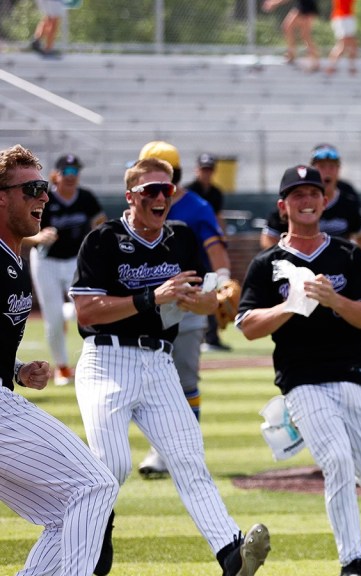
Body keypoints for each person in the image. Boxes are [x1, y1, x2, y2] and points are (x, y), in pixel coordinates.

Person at [68, 156, 269, 575]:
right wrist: (151, 297)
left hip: (159, 362)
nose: (161, 197)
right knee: (113, 464)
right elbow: (87, 312)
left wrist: (208, 301)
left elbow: (205, 298)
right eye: (150, 191)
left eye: (167, 189)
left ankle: (231, 553)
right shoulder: (102, 240)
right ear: (131, 197)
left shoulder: (180, 236)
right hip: (108, 359)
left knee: (189, 458)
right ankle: (94, 538)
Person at [238, 165, 361, 576]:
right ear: (283, 206)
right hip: (302, 379)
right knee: (338, 461)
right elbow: (248, 327)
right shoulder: (267, 263)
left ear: (324, 200)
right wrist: (289, 305)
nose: (306, 200)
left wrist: (333, 300)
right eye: (296, 195)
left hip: (356, 374)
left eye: (313, 193)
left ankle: (317, 431)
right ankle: (354, 561)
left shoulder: (348, 254)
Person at [0, 144, 119, 576]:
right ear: (1, 196)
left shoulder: (12, 255)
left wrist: (14, 369)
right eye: (31, 188)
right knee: (94, 485)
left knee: (66, 511)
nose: (44, 198)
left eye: (44, 188)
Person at [134, 142, 235, 480]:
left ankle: (186, 451)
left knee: (185, 380)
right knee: (145, 384)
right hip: (146, 304)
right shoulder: (134, 206)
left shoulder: (196, 207)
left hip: (187, 302)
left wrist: (222, 281)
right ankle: (160, 449)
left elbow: (215, 249)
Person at [25, 153, 105, 386]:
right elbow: (25, 229)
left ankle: (67, 315)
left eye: (75, 171)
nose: (71, 176)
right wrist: (40, 236)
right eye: (66, 171)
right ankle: (62, 367)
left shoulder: (87, 198)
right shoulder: (44, 198)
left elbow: (100, 224)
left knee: (86, 310)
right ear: (56, 175)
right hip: (46, 261)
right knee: (52, 319)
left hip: (75, 261)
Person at [260, 143, 361, 293]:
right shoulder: (295, 200)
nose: (327, 172)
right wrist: (287, 264)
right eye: (321, 166)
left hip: (339, 273)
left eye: (332, 166)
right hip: (300, 273)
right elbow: (269, 235)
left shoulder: (348, 201)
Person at [184, 152, 233, 352]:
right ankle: (197, 336)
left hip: (209, 248)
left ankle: (212, 336)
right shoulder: (188, 191)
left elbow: (218, 219)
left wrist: (222, 240)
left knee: (212, 287)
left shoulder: (216, 193)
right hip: (190, 248)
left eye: (209, 169)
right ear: (197, 170)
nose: (206, 173)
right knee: (192, 290)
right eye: (203, 169)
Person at [262, 0, 321, 72]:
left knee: (300, 33)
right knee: (302, 34)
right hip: (305, 5)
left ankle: (312, 59)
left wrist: (275, 3)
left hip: (307, 6)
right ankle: (294, 55)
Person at [326, 0, 359, 76]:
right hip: (340, 17)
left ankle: (352, 67)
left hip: (349, 16)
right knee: (343, 44)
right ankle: (331, 67)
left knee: (353, 44)